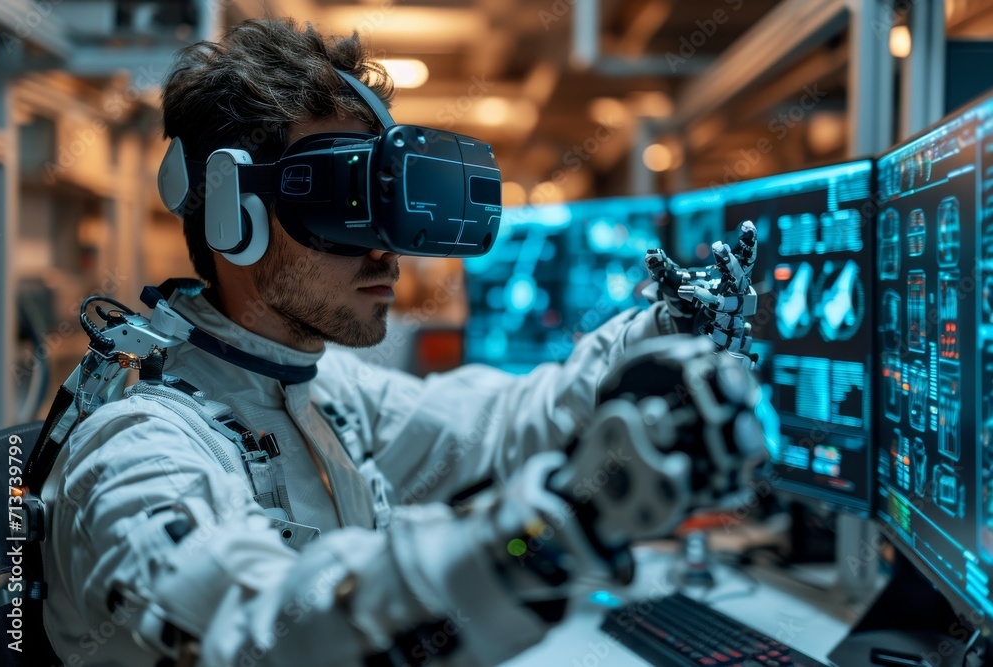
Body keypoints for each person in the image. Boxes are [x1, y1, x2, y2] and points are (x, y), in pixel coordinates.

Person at [39, 17, 755, 667]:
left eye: (385, 202)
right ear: (233, 211)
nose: (387, 250)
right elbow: (260, 632)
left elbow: (502, 426)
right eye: (342, 201)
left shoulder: (324, 397)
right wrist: (535, 541)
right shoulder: (136, 450)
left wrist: (659, 338)